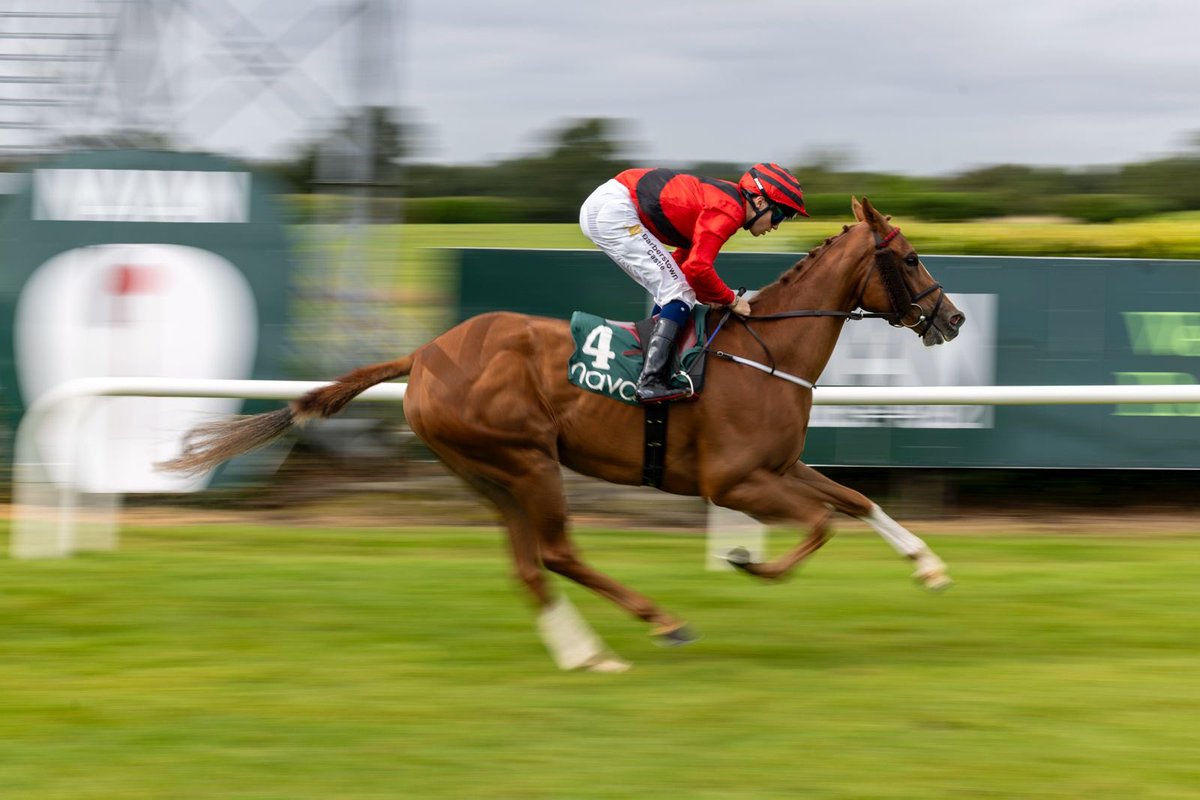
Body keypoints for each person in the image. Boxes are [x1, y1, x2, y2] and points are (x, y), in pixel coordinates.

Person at [579, 162, 809, 403]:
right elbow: (698, 268)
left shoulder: (727, 202)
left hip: (610, 205)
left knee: (675, 290)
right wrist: (731, 300)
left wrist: (712, 297)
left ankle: (655, 370)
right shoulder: (727, 209)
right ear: (760, 202)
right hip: (613, 209)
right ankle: (650, 381)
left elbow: (684, 264)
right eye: (780, 215)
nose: (776, 226)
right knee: (678, 293)